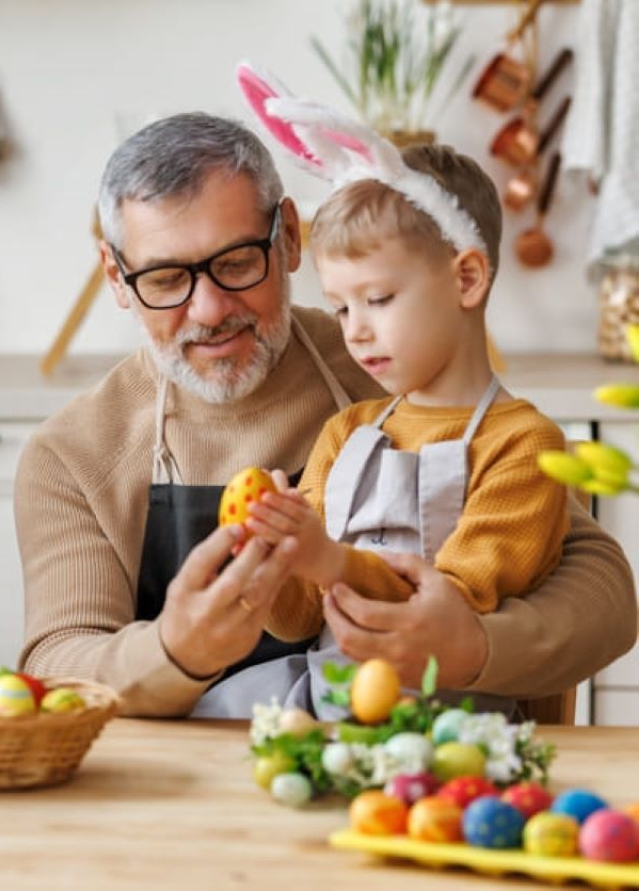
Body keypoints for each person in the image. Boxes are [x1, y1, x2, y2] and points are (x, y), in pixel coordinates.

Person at [14, 107, 636, 719]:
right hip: (181, 790)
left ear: (288, 237)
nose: (206, 309)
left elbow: (602, 589)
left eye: (235, 264)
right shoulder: (73, 454)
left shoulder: (396, 372)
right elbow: (56, 660)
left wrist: (470, 648)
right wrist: (173, 653)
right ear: (117, 278)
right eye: (165, 277)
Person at [233, 76, 567, 665]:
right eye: (341, 307)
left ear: (466, 279)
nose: (354, 329)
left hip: (445, 727)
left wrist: (330, 560)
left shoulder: (524, 446)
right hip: (331, 708)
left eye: (379, 299)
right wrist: (272, 561)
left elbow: (451, 609)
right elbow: (300, 620)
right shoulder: (347, 434)